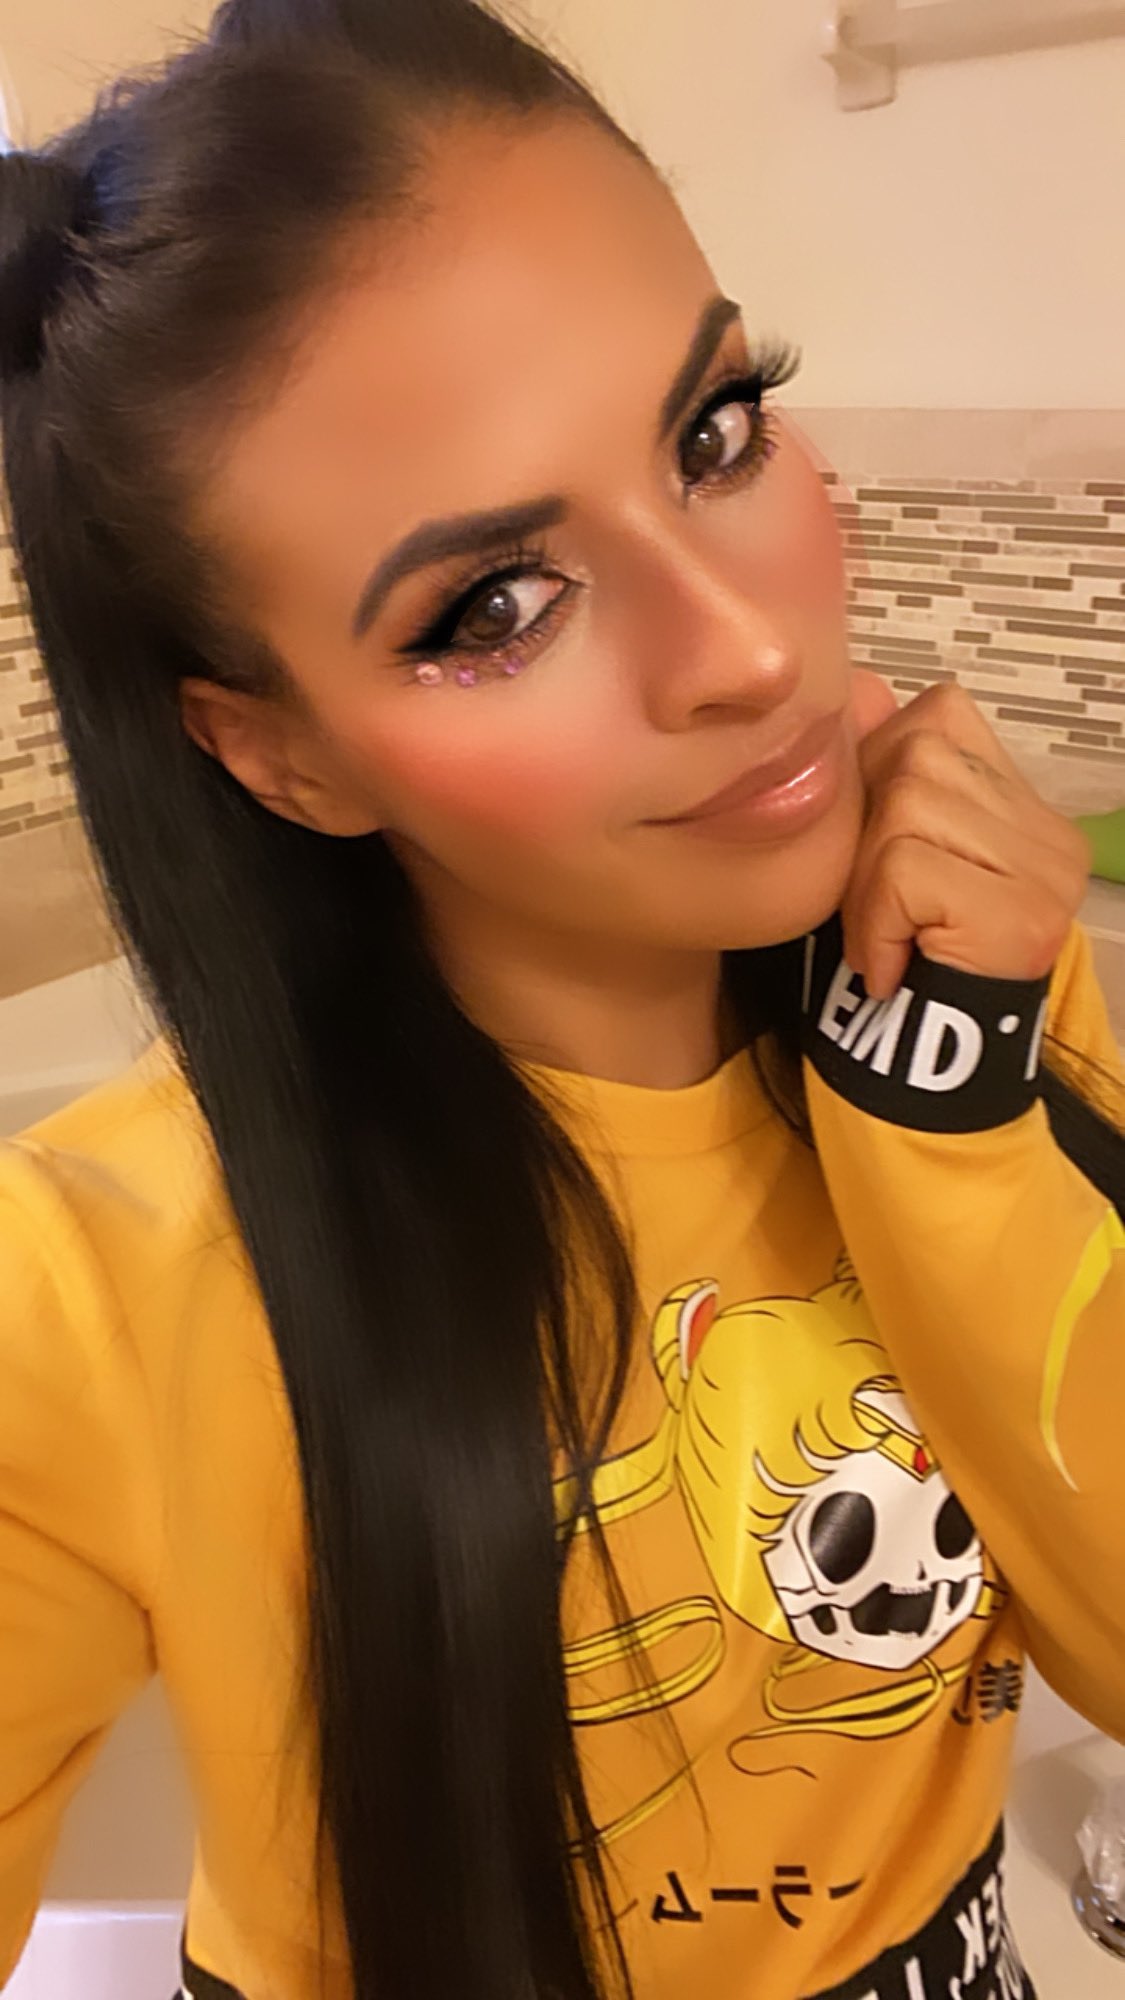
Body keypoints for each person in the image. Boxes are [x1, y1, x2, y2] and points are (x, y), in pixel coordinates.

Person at [0, 2, 1122, 1996]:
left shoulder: (977, 986)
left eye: (713, 433)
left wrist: (947, 1100)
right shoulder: (87, 1292)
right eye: (490, 608)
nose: (740, 650)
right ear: (278, 754)